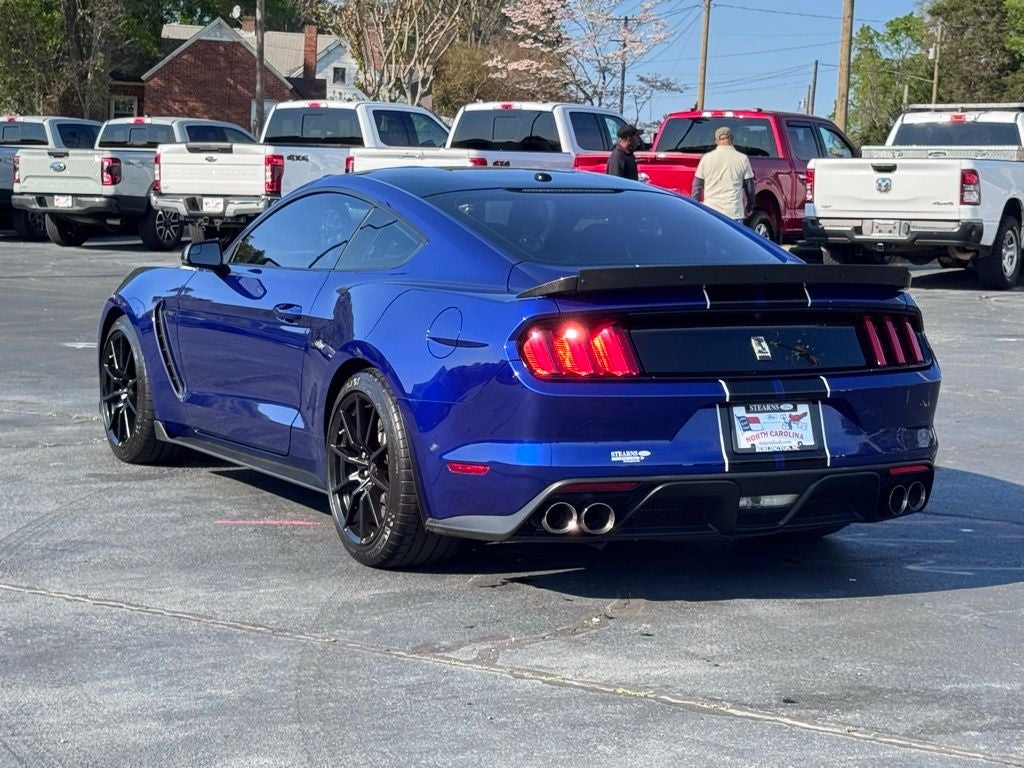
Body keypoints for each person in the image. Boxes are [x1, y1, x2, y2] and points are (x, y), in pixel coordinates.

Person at [691, 125, 755, 224]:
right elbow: (750, 188)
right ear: (732, 139)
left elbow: (697, 186)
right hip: (734, 212)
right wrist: (749, 207)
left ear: (716, 141)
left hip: (711, 212)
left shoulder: (706, 158)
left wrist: (694, 206)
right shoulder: (742, 159)